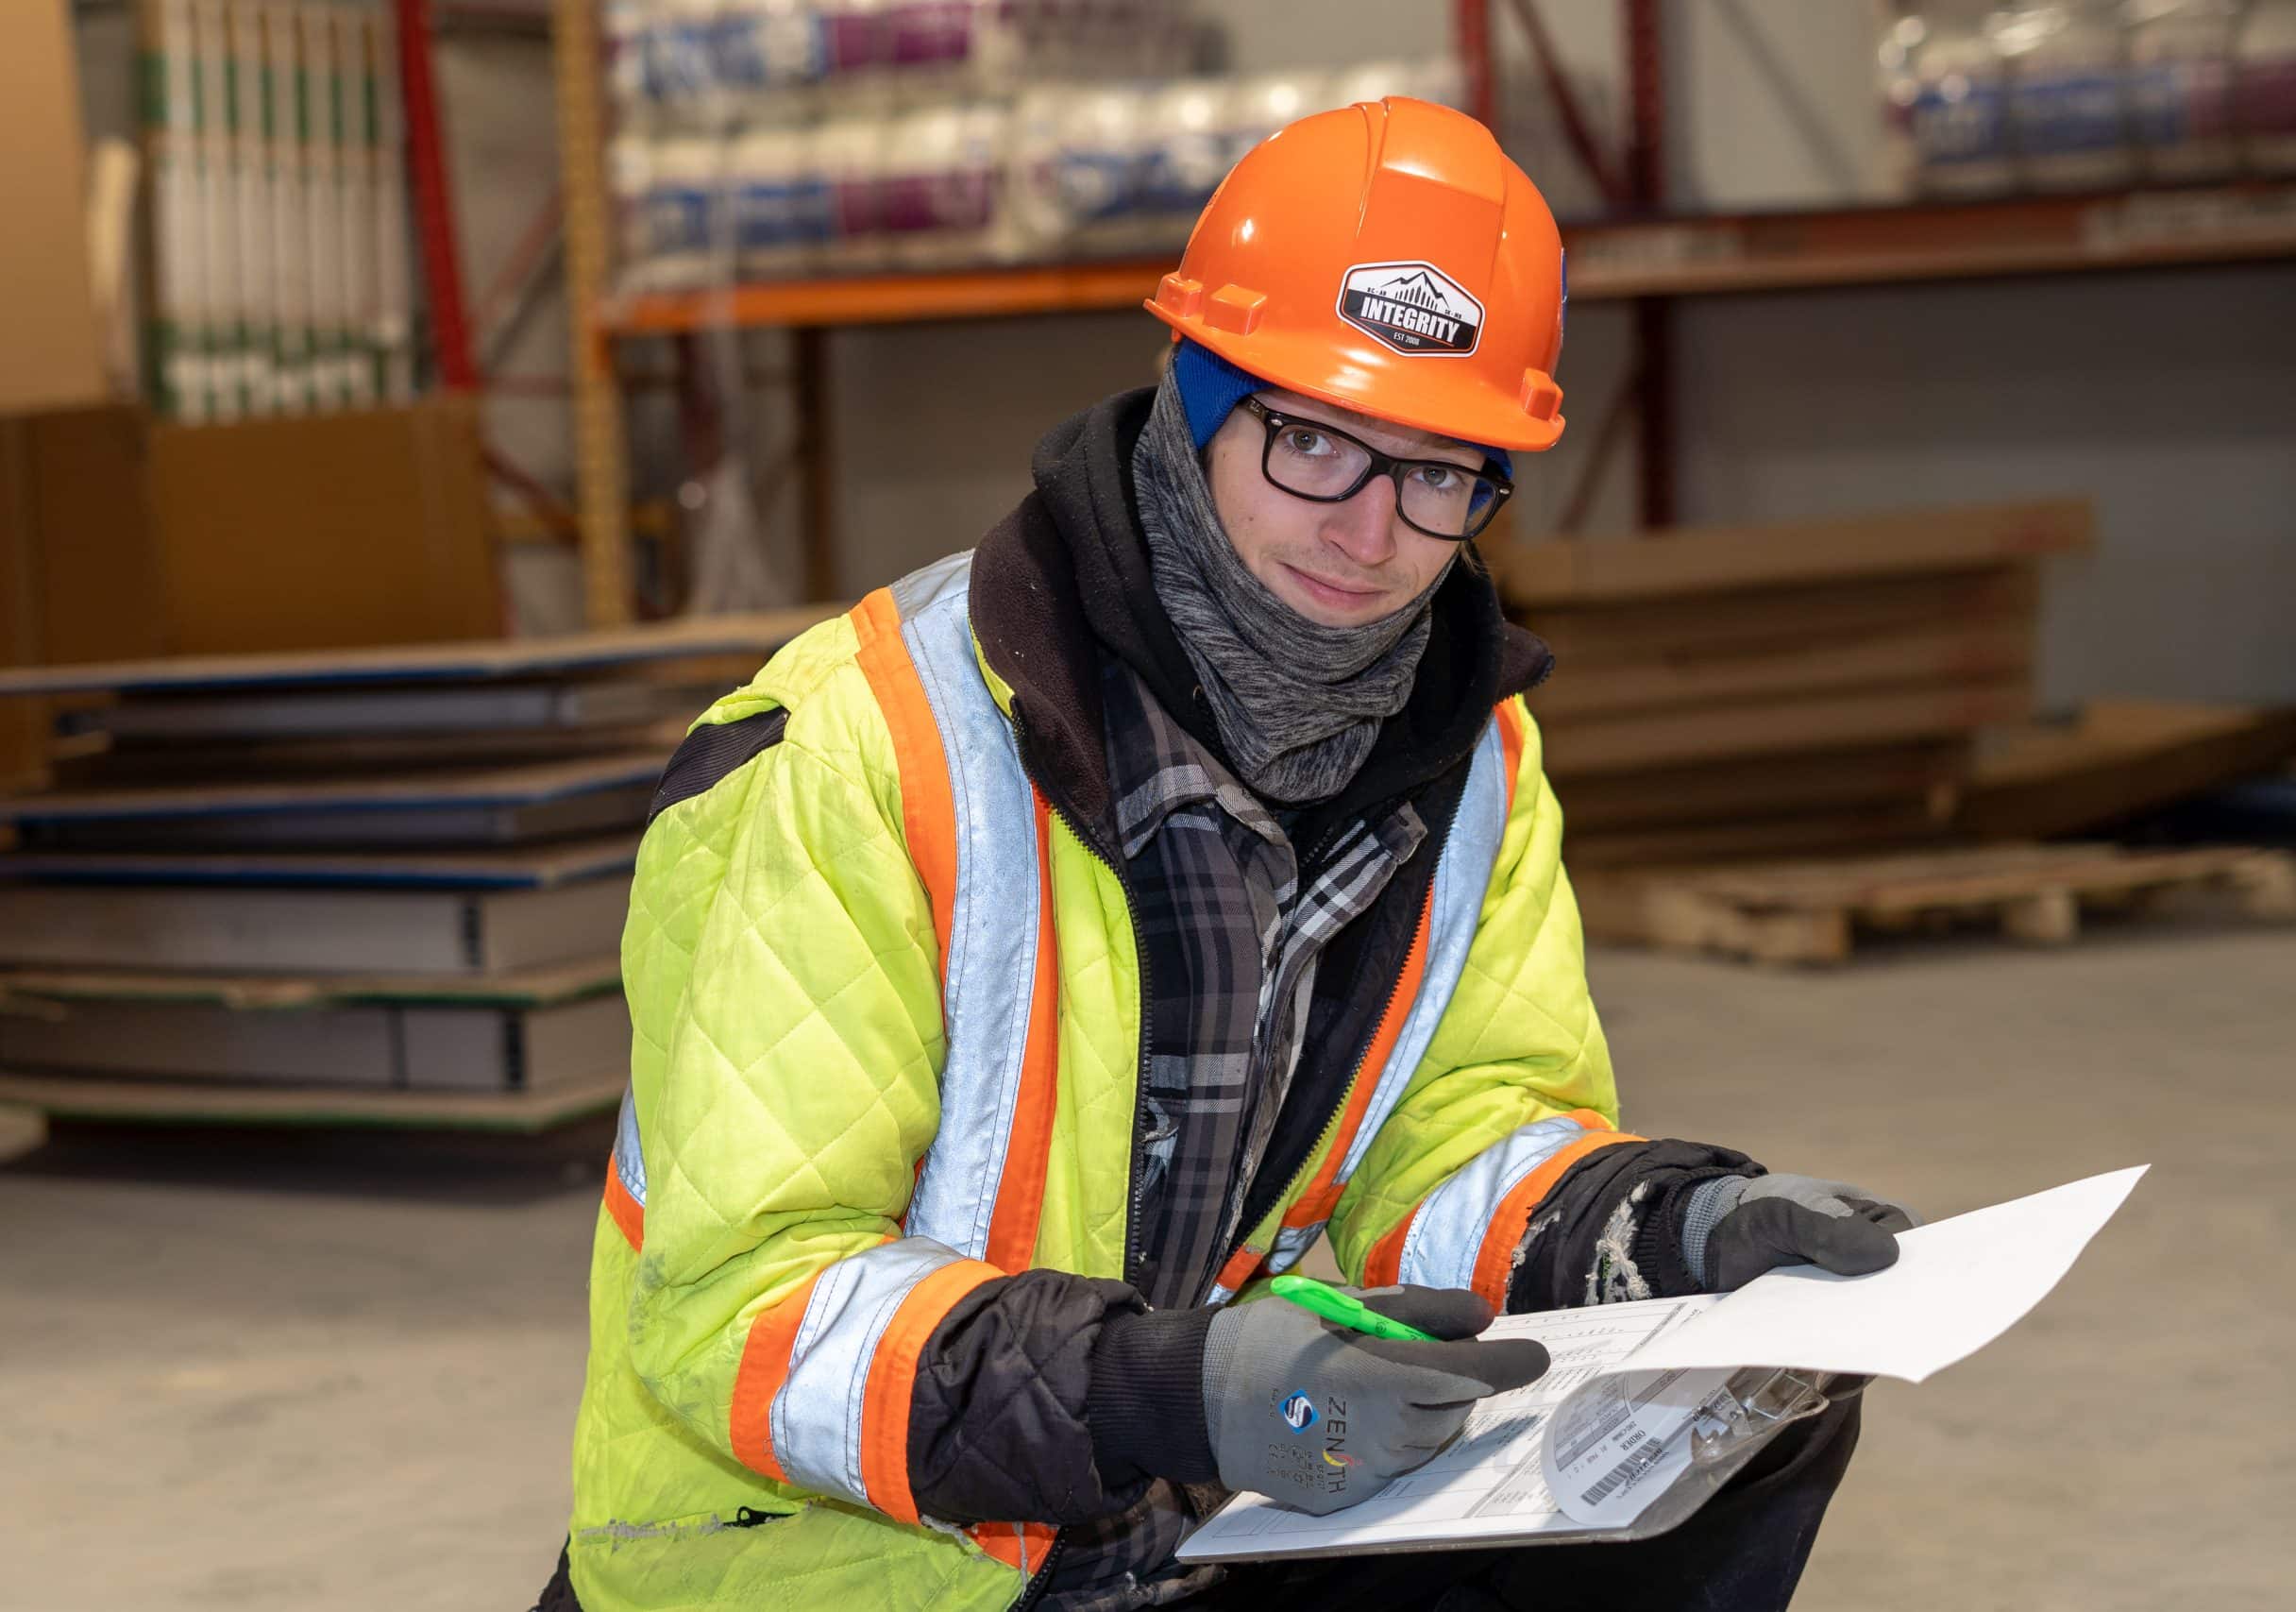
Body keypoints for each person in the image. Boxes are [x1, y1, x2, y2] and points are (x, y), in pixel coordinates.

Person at [537, 96, 1913, 1612]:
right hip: (860, 1562)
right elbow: (747, 1311)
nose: (1369, 531)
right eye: (1314, 440)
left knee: (1736, 1438)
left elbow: (1450, 1146)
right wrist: (1169, 1390)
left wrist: (1670, 1227)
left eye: (1440, 472)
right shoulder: (853, 751)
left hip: (1206, 1509)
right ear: (1192, 400)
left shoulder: (1469, 760)